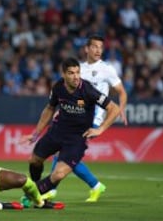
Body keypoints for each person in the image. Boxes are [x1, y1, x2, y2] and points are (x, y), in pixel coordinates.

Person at [20, 57, 120, 207]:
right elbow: (49, 108)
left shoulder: (88, 90)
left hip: (76, 138)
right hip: (57, 131)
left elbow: (114, 108)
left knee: (59, 174)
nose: (76, 76)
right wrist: (36, 133)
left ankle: (33, 194)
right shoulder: (58, 87)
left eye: (78, 72)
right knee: (34, 160)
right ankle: (36, 189)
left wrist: (101, 129)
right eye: (71, 73)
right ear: (63, 74)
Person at [45, 35, 128, 202]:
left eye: (101, 47)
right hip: (76, 116)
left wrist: (122, 109)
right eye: (95, 46)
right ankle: (95, 186)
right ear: (87, 49)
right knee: (64, 153)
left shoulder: (107, 69)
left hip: (93, 117)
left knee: (65, 153)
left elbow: (121, 92)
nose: (98, 50)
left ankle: (51, 189)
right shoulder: (79, 69)